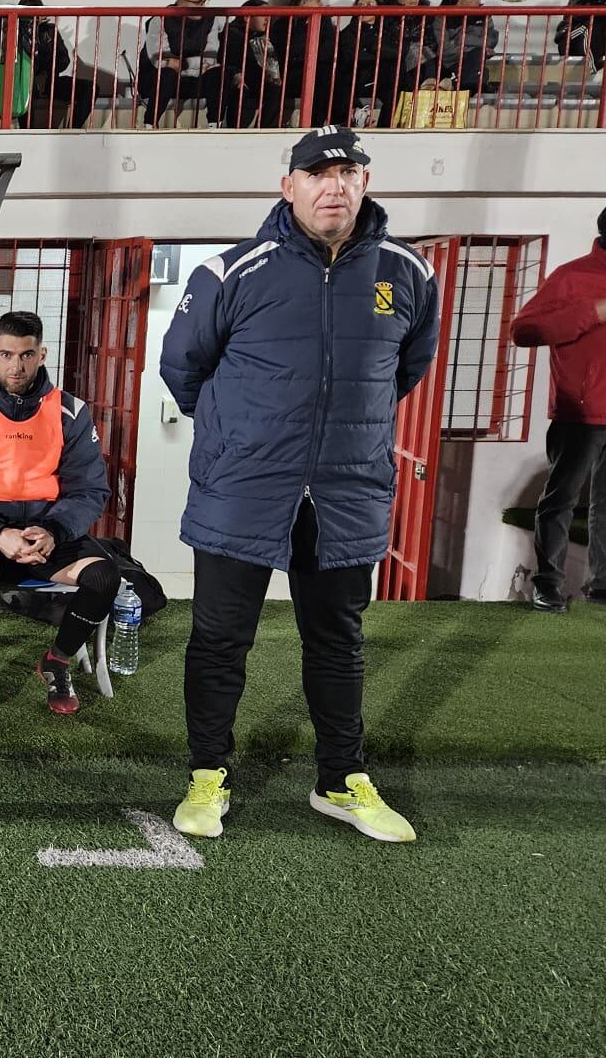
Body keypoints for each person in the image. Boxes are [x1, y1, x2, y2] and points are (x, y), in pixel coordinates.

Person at [159, 125, 439, 844]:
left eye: (348, 173)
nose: (333, 186)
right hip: (243, 486)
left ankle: (339, 781)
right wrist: (234, 432)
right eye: (318, 174)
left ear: (366, 185)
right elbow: (182, 369)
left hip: (346, 492)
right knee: (220, 638)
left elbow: (406, 369)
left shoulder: (408, 274)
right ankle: (207, 776)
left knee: (338, 640)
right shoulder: (232, 272)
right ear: (289, 187)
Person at [0, 311, 117, 717]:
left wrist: (52, 530)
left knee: (105, 576)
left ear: (42, 354)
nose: (16, 366)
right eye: (7, 354)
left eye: (27, 355)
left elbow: (90, 490)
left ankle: (57, 660)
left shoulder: (70, 412)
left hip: (47, 535)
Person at [513, 197, 606, 614]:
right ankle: (548, 585)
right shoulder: (571, 277)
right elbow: (523, 330)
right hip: (581, 411)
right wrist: (589, 312)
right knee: (561, 499)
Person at [137, 0, 217, 126]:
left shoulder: (212, 19)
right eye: (198, 3)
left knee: (218, 73)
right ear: (180, 2)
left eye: (205, 2)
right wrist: (195, 64)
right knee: (167, 73)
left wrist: (184, 64)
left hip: (193, 79)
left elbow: (210, 58)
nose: (202, 7)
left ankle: (215, 123)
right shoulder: (160, 19)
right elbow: (160, 59)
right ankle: (150, 123)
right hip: (160, 81)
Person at [16, 0, 93, 129]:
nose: (34, 17)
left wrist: (47, 68)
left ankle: (73, 130)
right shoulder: (15, 31)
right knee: (29, 88)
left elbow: (64, 60)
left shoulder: (50, 30)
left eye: (37, 12)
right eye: (29, 13)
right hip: (24, 83)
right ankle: (27, 133)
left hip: (50, 82)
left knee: (90, 87)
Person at [268, 0, 335, 128]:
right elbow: (286, 50)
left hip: (315, 72)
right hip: (290, 72)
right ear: (303, 2)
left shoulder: (325, 23)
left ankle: (315, 126)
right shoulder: (284, 23)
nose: (321, 5)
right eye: (317, 0)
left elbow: (327, 51)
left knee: (325, 76)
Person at [214, 0, 284, 128]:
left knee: (275, 88)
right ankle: (235, 129)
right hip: (236, 76)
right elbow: (231, 60)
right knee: (240, 89)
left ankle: (266, 129)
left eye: (270, 15)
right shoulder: (233, 33)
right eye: (263, 15)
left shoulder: (268, 36)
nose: (268, 19)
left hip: (259, 78)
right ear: (247, 17)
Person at [427, 0, 496, 94]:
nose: (479, 2)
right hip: (449, 65)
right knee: (477, 58)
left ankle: (462, 85)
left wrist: (463, 39)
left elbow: (490, 42)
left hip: (474, 64)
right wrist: (476, 49)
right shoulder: (442, 16)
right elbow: (445, 50)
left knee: (477, 58)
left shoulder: (484, 16)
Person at [328, 0, 386, 126]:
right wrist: (377, 52)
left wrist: (372, 49)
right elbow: (352, 57)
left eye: (369, 4)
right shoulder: (348, 33)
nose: (364, 8)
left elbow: (396, 52)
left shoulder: (385, 30)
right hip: (357, 78)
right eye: (360, 5)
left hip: (381, 78)